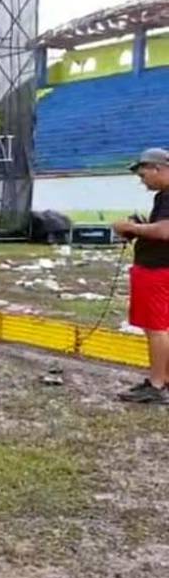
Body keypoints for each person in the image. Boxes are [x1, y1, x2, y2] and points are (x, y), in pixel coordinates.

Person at [114, 148, 169, 403]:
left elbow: (164, 231)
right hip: (154, 267)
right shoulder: (162, 197)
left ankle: (157, 386)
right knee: (157, 327)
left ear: (158, 169)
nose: (142, 180)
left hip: (158, 269)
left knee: (156, 328)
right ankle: (162, 378)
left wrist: (132, 227)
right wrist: (139, 228)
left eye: (144, 173)